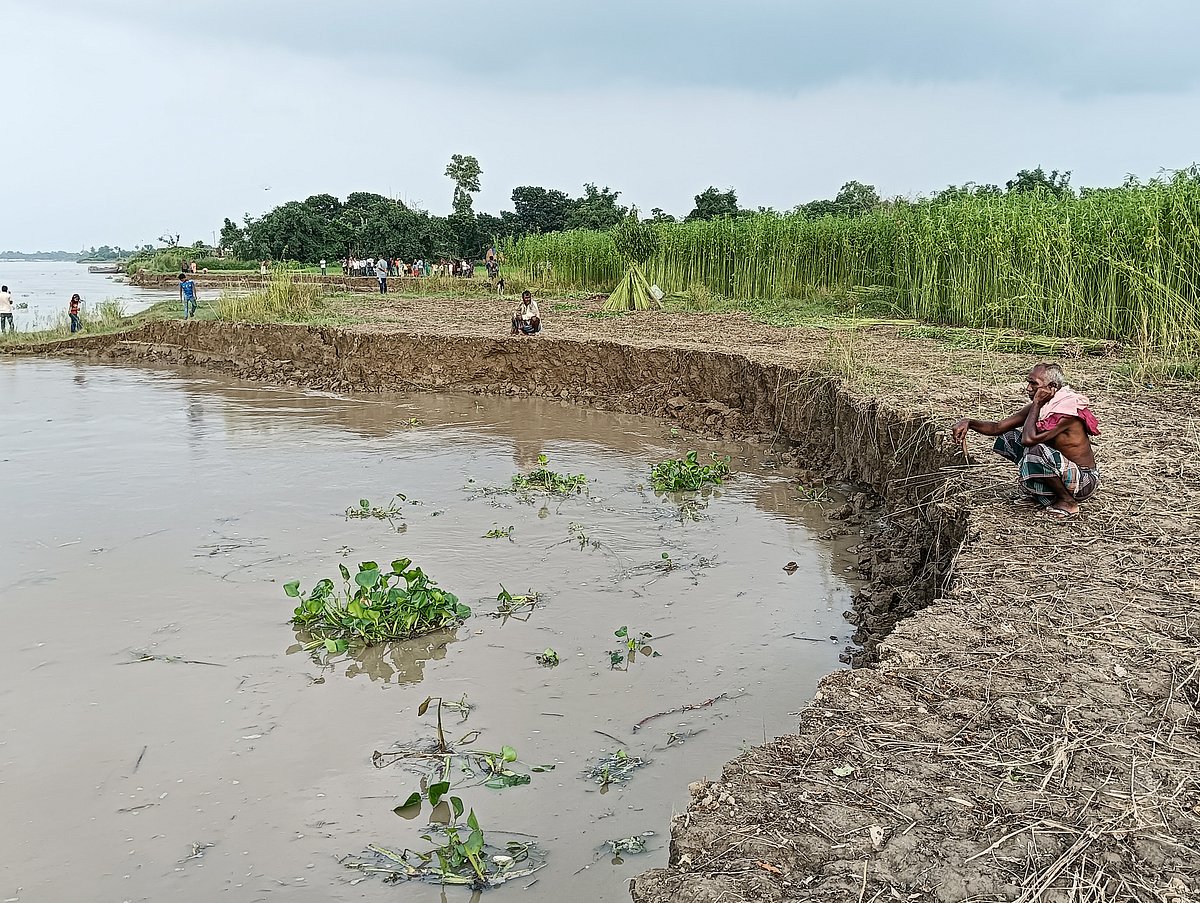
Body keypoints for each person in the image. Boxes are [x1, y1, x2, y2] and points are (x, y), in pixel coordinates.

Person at [952, 362, 1100, 519]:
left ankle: (1068, 502)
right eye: (1028, 382)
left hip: (1083, 481)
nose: (1028, 388)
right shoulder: (1044, 407)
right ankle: (1041, 494)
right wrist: (969, 422)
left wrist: (1036, 403)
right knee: (1008, 437)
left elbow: (1029, 440)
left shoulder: (1066, 412)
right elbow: (997, 428)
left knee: (1035, 451)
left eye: (1034, 384)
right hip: (1062, 473)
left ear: (1052, 387)